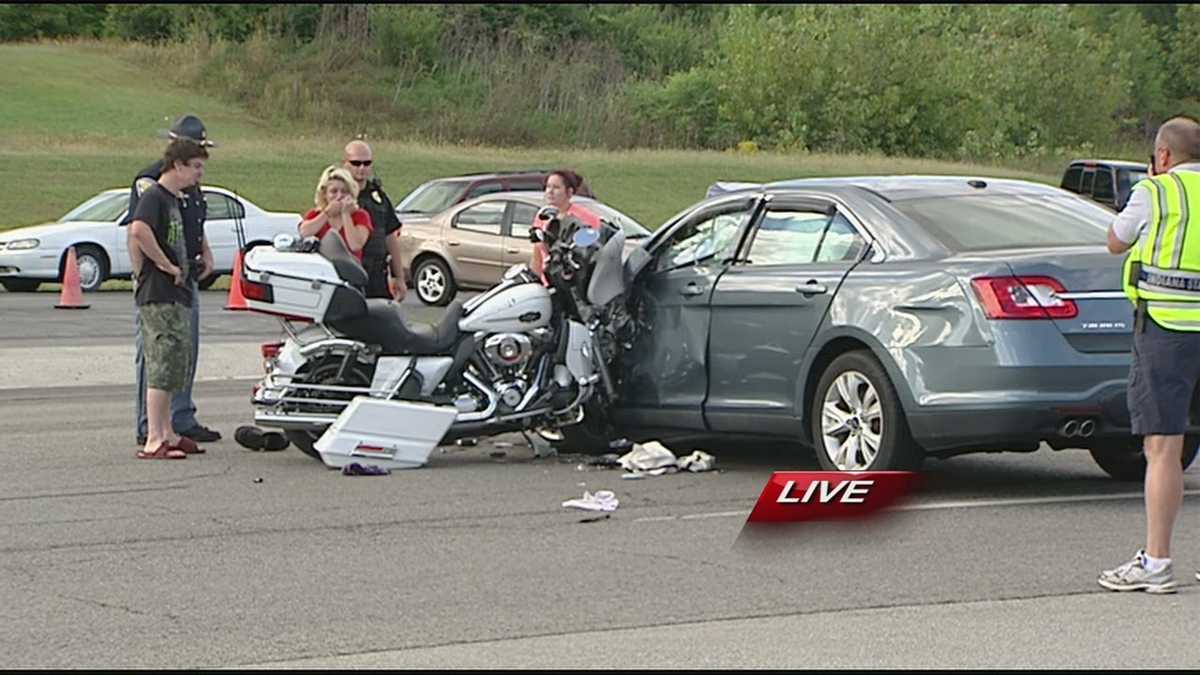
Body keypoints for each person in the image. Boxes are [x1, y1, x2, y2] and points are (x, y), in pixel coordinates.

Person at [1098, 115, 1200, 593]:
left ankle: (1157, 562)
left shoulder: (1153, 192)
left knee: (1164, 448)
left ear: (1163, 156)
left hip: (1166, 330)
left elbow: (1116, 241)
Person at [124, 114, 221, 447]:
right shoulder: (151, 183)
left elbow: (195, 223)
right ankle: (148, 424)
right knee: (156, 353)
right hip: (162, 282)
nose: (201, 162)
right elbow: (137, 231)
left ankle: (179, 418)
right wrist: (153, 269)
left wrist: (205, 253)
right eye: (196, 153)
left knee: (183, 349)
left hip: (187, 275)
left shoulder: (189, 186)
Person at [342, 140, 407, 300]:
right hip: (350, 273)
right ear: (345, 164)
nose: (362, 168)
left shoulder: (378, 197)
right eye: (356, 163)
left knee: (383, 318)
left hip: (377, 274)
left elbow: (390, 236)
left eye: (366, 163)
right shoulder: (338, 194)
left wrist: (399, 276)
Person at [529, 169, 601, 283]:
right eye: (548, 187)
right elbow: (537, 255)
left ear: (569, 192)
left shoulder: (585, 218)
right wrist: (533, 280)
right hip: (547, 282)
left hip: (573, 284)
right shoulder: (542, 216)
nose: (550, 191)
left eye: (556, 188)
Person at [299, 166, 373, 261]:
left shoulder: (360, 216)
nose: (339, 196)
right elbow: (304, 232)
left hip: (350, 269)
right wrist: (327, 213)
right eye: (334, 191)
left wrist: (346, 214)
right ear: (325, 194)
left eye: (344, 192)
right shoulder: (315, 214)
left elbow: (355, 245)